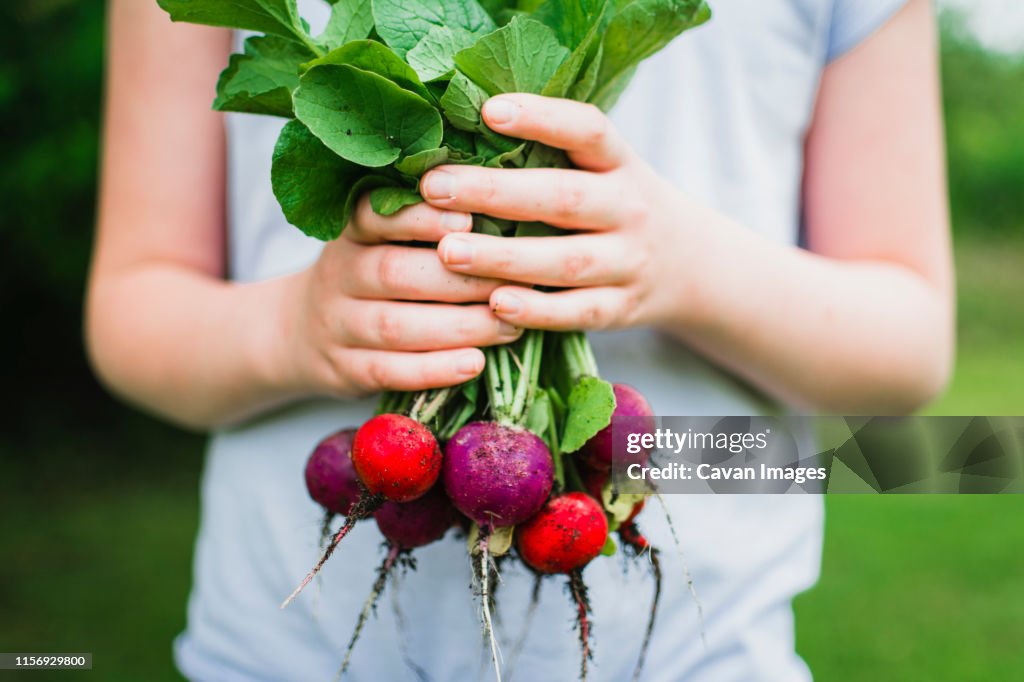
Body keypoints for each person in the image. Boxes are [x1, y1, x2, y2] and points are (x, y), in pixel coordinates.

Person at [87, 0, 952, 679]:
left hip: (707, 655)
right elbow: (131, 311)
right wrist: (294, 330)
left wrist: (687, 269)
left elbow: (911, 348)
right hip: (279, 655)